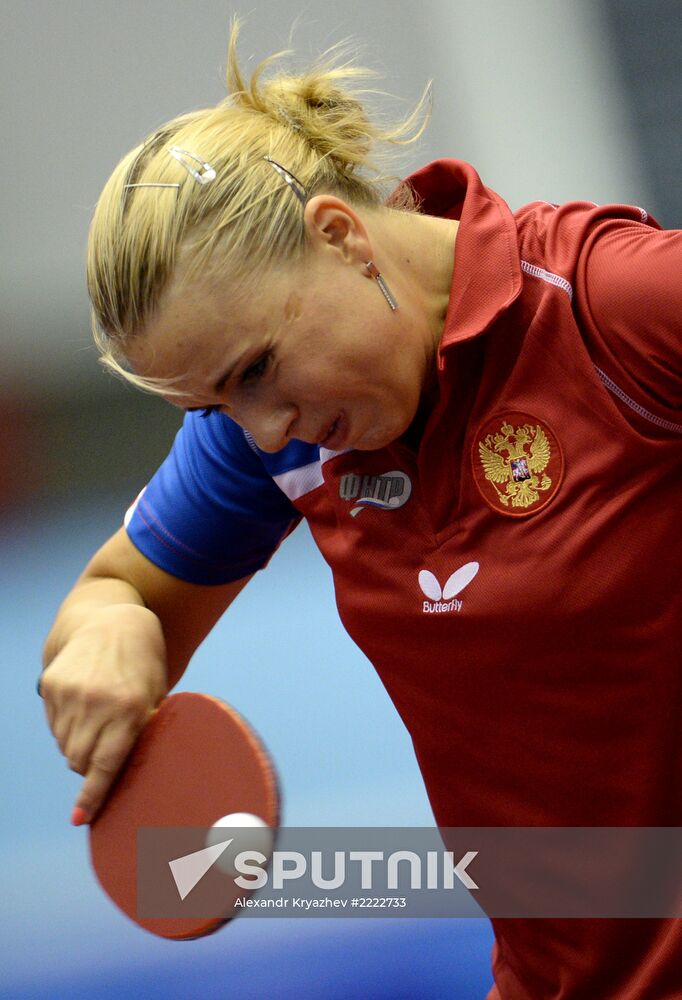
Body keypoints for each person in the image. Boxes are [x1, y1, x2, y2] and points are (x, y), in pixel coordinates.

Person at [40, 19, 681, 1000]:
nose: (257, 430)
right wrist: (104, 630)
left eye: (255, 370)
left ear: (338, 236)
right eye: (215, 404)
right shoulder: (287, 433)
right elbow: (119, 590)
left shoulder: (612, 308)